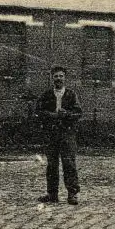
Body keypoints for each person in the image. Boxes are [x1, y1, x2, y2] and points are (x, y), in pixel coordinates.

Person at [34, 65, 83, 205]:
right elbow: (38, 111)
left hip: (67, 134)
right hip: (51, 134)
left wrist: (66, 114)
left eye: (61, 76)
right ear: (52, 78)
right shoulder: (46, 95)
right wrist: (51, 115)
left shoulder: (71, 95)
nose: (58, 79)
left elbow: (79, 113)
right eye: (56, 76)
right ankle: (52, 194)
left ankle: (72, 194)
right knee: (52, 165)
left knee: (69, 164)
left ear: (65, 78)